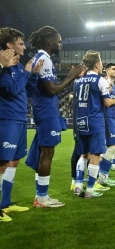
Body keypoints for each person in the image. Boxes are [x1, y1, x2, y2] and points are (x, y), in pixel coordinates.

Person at [26, 26, 84, 208]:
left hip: (43, 110)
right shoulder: (44, 59)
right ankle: (42, 198)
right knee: (47, 154)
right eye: (59, 41)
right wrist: (71, 77)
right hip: (46, 110)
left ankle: (40, 196)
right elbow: (51, 89)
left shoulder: (39, 58)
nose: (61, 45)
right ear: (50, 41)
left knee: (44, 153)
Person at [0, 27, 42, 222]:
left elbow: (22, 86)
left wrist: (30, 73)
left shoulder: (15, 65)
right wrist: (27, 72)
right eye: (20, 43)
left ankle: (5, 203)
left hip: (19, 119)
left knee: (13, 161)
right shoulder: (4, 63)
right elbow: (11, 89)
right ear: (9, 45)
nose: (24, 46)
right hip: (6, 119)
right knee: (1, 164)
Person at [74, 51, 115, 198]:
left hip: (80, 120)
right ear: (97, 64)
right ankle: (90, 191)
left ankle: (78, 186)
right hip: (95, 120)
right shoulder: (100, 80)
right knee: (95, 155)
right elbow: (107, 103)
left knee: (83, 154)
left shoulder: (78, 80)